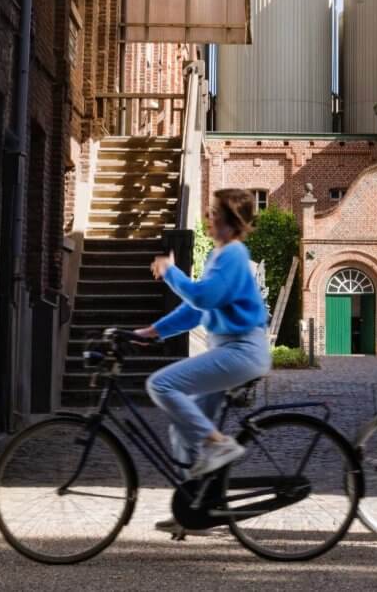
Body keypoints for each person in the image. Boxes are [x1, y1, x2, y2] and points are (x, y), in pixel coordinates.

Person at [135, 188, 270, 523]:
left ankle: (218, 445)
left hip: (240, 351)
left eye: (213, 211)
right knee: (183, 428)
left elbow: (203, 297)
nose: (207, 216)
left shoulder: (233, 255)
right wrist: (153, 331)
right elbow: (195, 311)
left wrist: (170, 271)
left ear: (228, 219)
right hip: (227, 350)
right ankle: (195, 508)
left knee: (162, 385)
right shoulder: (219, 255)